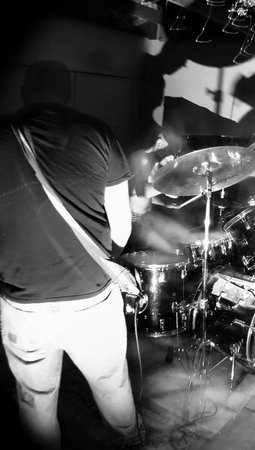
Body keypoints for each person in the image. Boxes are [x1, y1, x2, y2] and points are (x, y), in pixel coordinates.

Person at [0, 60, 143, 449]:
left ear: (24, 93)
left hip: (24, 305)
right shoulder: (97, 133)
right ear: (67, 93)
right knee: (112, 384)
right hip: (91, 300)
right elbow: (121, 230)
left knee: (35, 402)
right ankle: (130, 442)